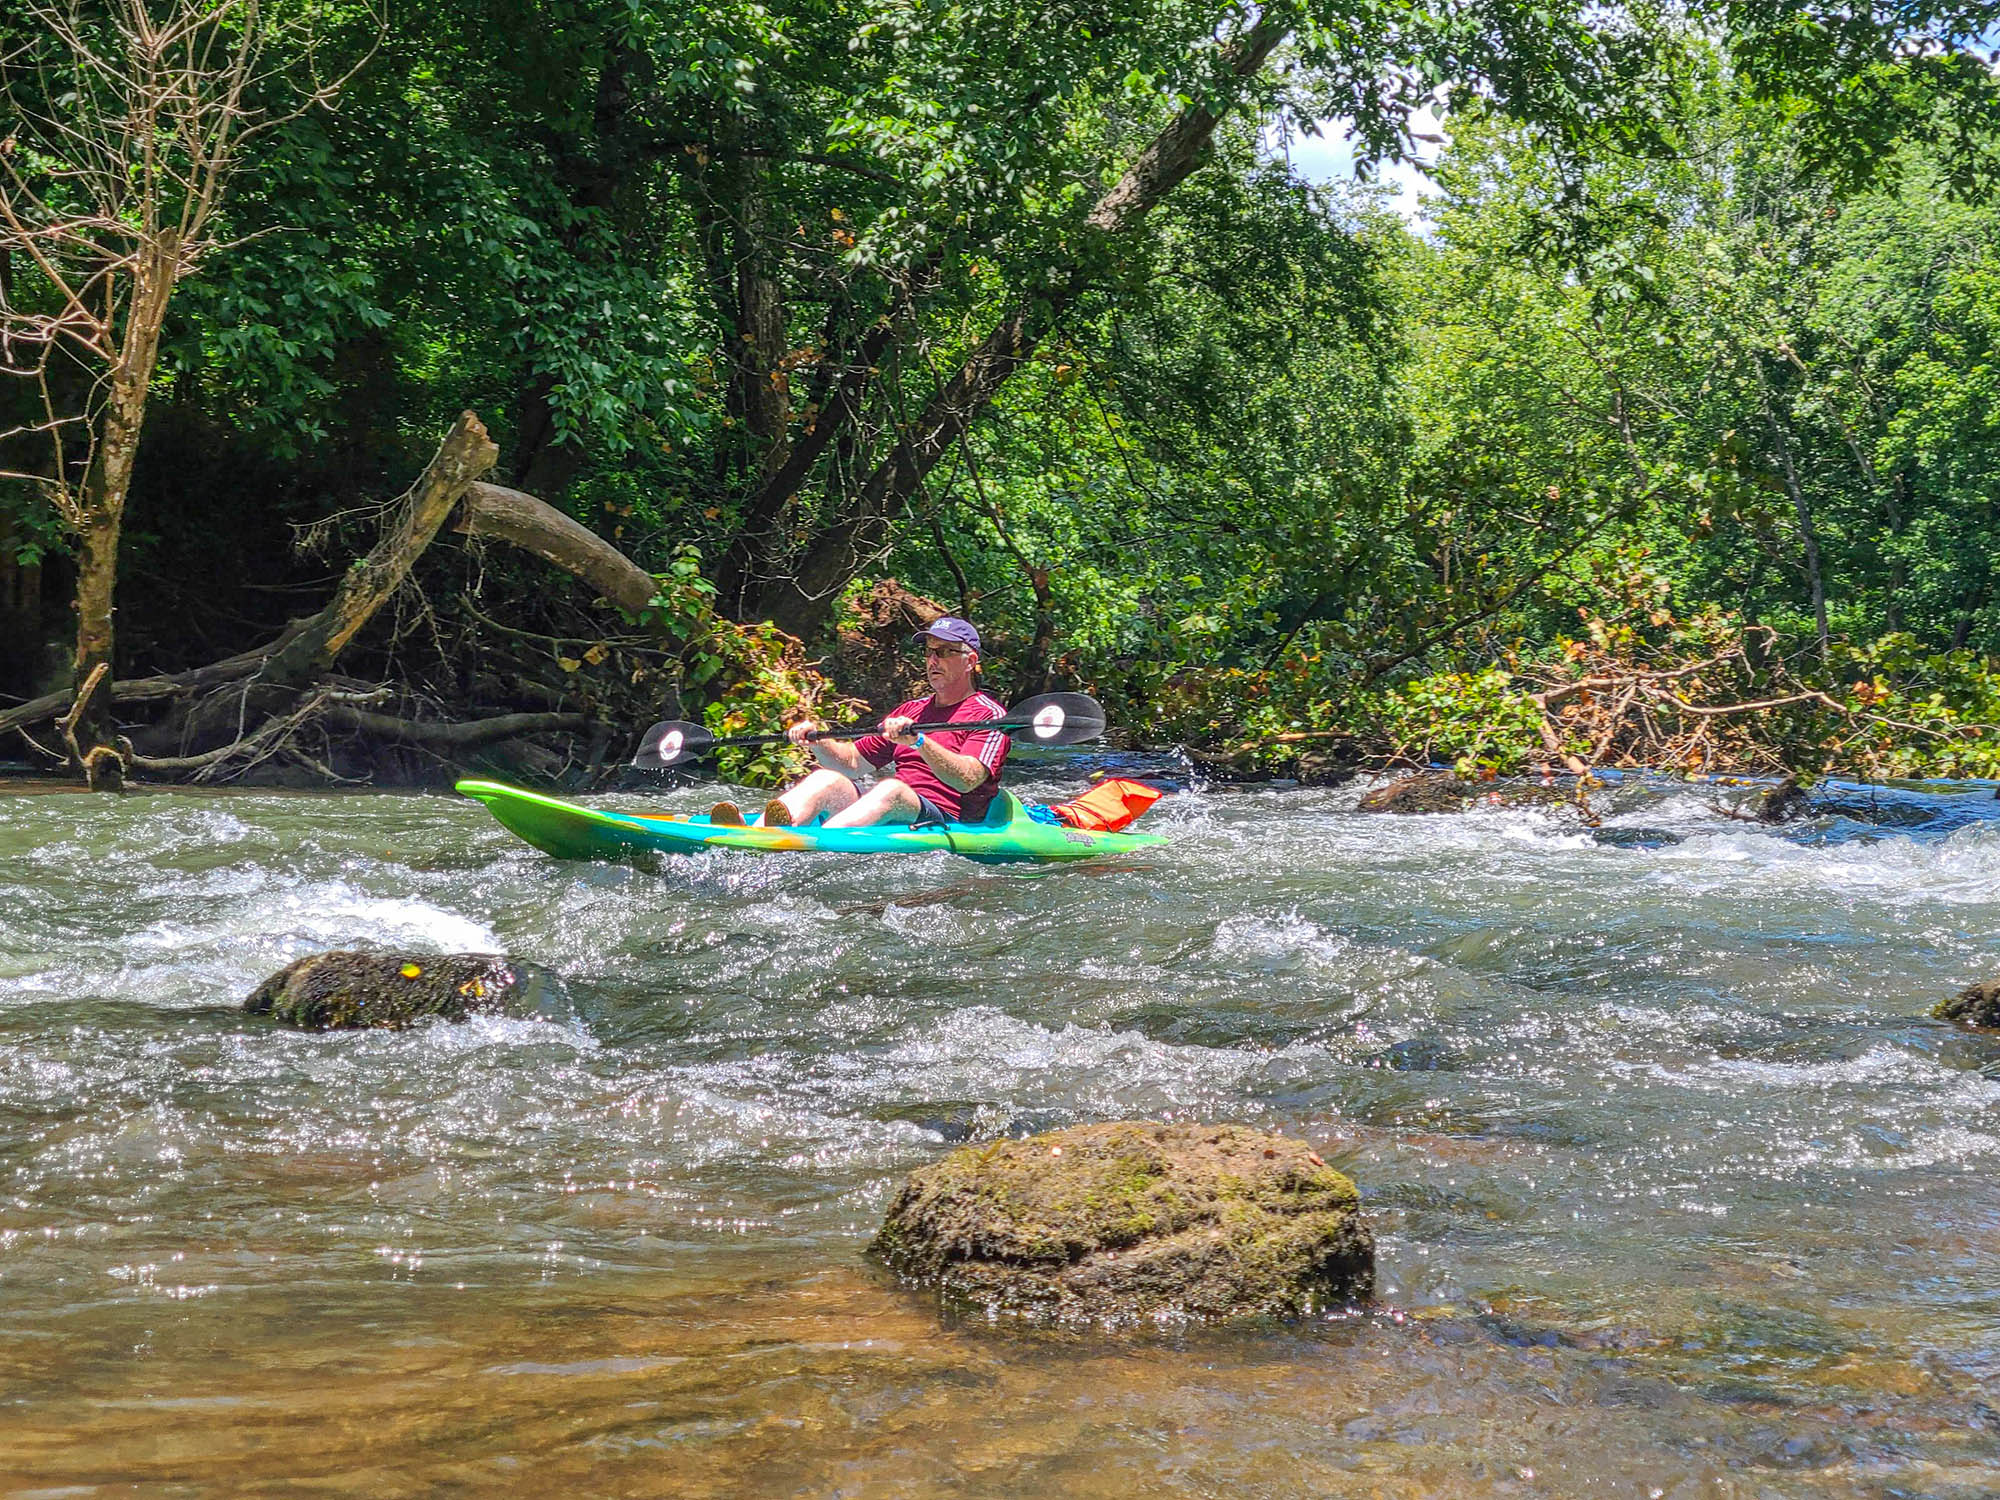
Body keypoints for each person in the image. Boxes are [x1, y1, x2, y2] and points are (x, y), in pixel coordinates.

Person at [711, 617, 1010, 829]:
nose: (933, 660)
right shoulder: (912, 710)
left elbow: (968, 778)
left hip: (946, 817)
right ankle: (759, 833)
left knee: (891, 788)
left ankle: (815, 844)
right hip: (896, 808)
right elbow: (852, 763)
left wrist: (919, 742)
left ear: (970, 661)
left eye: (944, 652)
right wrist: (818, 741)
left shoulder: (989, 715)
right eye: (929, 651)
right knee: (825, 778)